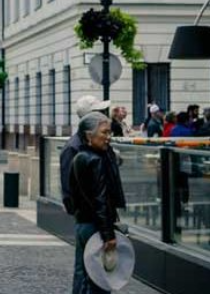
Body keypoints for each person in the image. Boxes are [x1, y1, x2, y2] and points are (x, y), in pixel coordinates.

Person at [69, 112, 126, 294]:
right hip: (95, 226)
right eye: (104, 133)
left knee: (83, 274)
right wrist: (108, 233)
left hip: (83, 223)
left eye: (110, 133)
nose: (108, 137)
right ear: (88, 135)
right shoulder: (95, 160)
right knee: (99, 280)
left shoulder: (82, 156)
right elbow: (100, 200)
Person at [60, 95, 110, 215]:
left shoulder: (97, 144)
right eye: (99, 112)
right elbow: (69, 188)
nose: (104, 115)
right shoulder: (73, 147)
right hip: (88, 216)